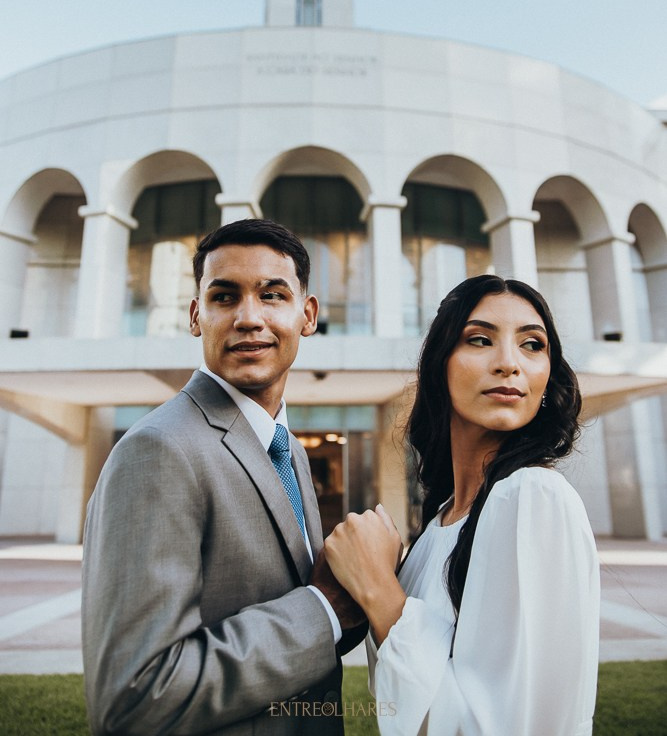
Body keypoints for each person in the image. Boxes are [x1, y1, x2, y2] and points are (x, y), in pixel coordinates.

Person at [82, 218, 364, 736]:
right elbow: (135, 699)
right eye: (224, 296)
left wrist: (356, 597)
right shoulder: (156, 451)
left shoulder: (289, 451)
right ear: (196, 315)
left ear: (308, 315)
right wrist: (323, 611)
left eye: (273, 295)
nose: (249, 318)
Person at [323, 275, 600, 736]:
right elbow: (402, 702)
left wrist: (378, 588)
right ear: (440, 366)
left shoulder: (533, 497)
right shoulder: (440, 522)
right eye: (480, 339)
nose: (509, 363)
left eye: (533, 344)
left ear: (548, 377)